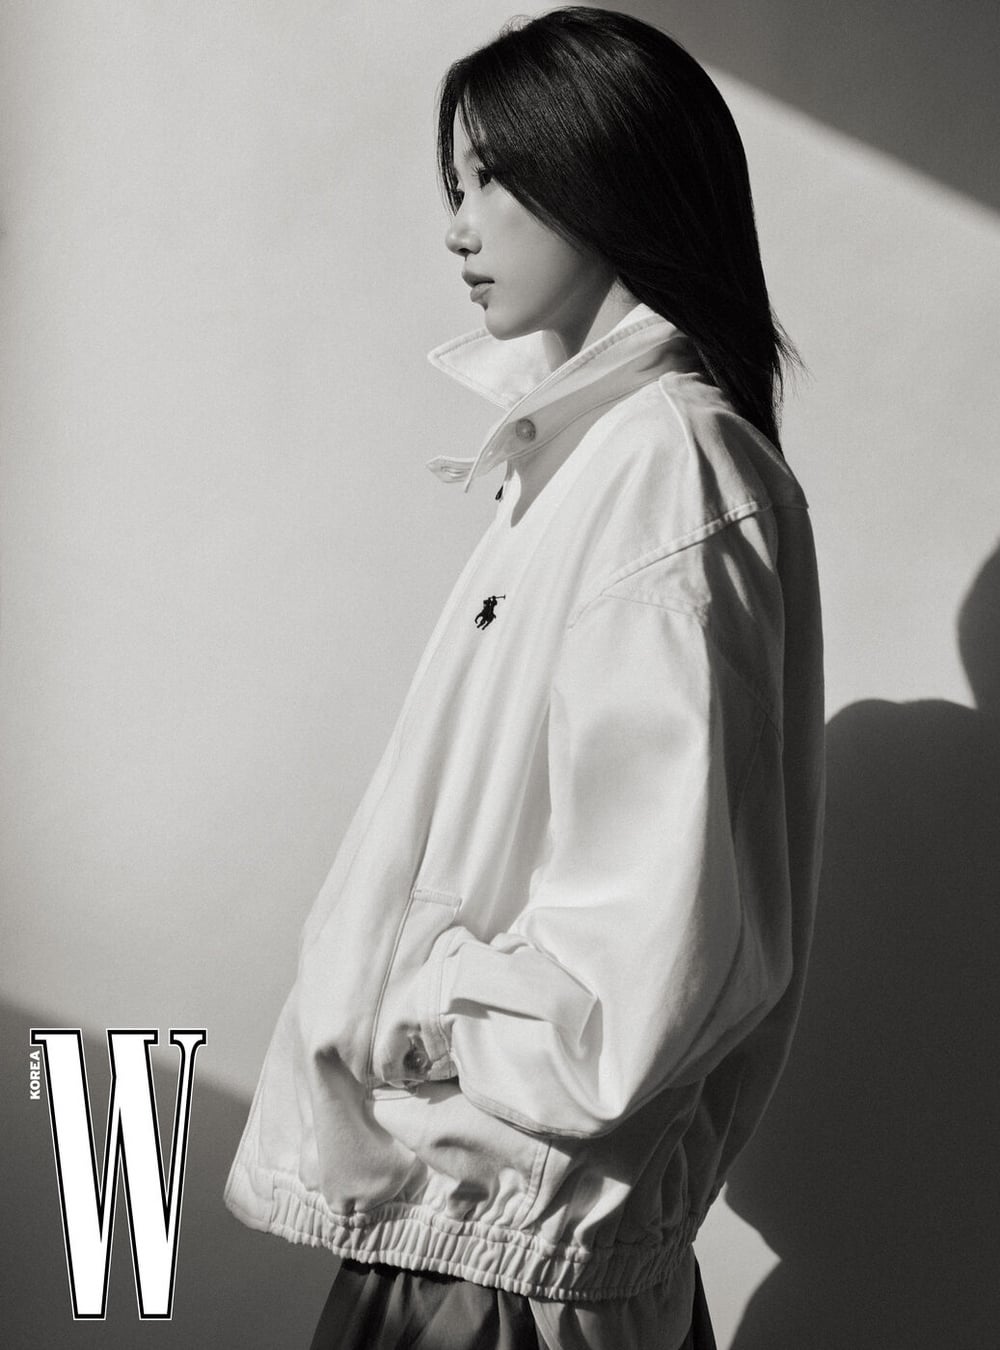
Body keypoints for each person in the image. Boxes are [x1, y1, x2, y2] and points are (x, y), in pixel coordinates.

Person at [224, 8, 825, 1347]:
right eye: (455, 186)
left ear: (605, 175)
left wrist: (433, 1024)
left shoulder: (665, 469)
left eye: (492, 179)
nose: (457, 227)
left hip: (510, 1245)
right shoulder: (588, 461)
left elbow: (652, 935)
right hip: (475, 1220)